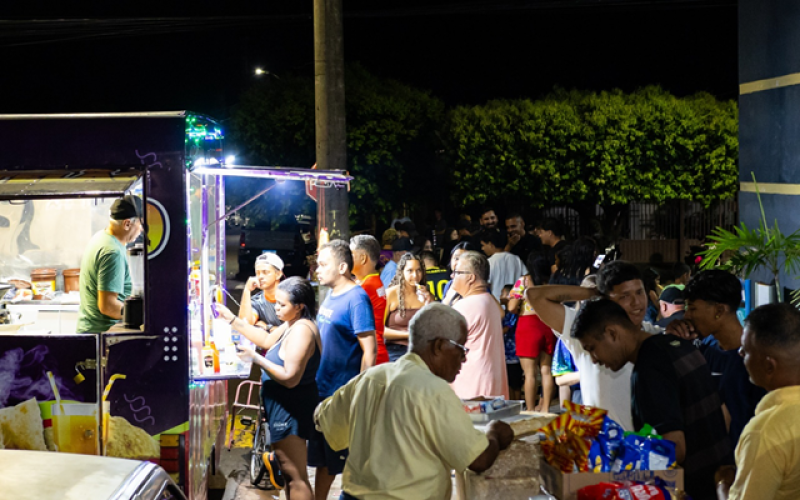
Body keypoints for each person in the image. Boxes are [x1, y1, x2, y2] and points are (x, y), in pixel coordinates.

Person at [315, 303, 514, 500]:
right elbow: (479, 460)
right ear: (438, 346)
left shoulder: (370, 378)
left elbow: (321, 418)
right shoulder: (434, 390)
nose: (463, 358)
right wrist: (495, 433)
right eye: (461, 348)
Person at [572, 299, 732, 500]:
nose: (594, 359)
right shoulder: (680, 346)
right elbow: (724, 415)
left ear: (612, 333)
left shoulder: (648, 370)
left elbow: (673, 448)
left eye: (592, 348)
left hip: (694, 488)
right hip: (721, 481)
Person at [525, 261, 660, 431]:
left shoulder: (656, 335)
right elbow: (535, 296)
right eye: (625, 296)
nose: (636, 303)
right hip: (602, 449)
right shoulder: (584, 331)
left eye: (640, 293)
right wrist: (592, 293)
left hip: (645, 448)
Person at [217, 277, 319, 499]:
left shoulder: (302, 331)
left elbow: (291, 378)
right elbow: (265, 340)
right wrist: (232, 319)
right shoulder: (291, 323)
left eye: (282, 304)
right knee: (289, 472)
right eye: (276, 302)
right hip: (283, 407)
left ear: (299, 306)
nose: (276, 308)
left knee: (295, 474)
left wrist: (256, 358)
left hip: (290, 409)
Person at [309, 240, 377, 500]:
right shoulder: (332, 294)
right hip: (322, 391)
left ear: (343, 267)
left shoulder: (357, 298)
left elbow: (368, 350)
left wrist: (357, 395)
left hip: (342, 395)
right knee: (324, 460)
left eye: (324, 264)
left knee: (347, 460)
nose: (318, 269)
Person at [667, 270, 766, 448]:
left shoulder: (757, 362)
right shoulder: (702, 351)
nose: (687, 315)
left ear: (719, 311)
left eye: (693, 308)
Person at [718, 303, 800, 500]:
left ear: (768, 365)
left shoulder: (765, 432)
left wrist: (722, 486)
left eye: (745, 351)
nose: (740, 355)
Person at [77, 195, 144, 333]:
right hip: (101, 335)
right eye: (140, 224)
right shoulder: (112, 252)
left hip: (91, 332)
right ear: (127, 224)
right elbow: (108, 306)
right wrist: (142, 317)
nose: (141, 229)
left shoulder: (101, 237)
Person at [448, 251, 509, 399]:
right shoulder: (490, 301)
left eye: (456, 272)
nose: (452, 276)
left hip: (472, 387)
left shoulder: (464, 306)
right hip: (490, 382)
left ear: (470, 278)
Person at [508, 253, 556, 412]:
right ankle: (546, 409)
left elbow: (511, 307)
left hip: (528, 325)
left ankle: (529, 410)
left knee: (529, 374)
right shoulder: (550, 281)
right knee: (546, 371)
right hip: (547, 323)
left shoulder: (523, 281)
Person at [384, 253, 433, 361]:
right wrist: (407, 335)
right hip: (395, 351)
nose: (415, 276)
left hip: (420, 351)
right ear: (402, 272)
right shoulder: (390, 294)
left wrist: (429, 303)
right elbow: (379, 330)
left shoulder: (427, 295)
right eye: (410, 271)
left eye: (418, 270)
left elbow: (433, 327)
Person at [350, 235, 390, 365]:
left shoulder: (365, 287)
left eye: (351, 254)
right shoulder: (373, 281)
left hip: (370, 358)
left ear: (363, 258)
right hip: (377, 353)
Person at [238, 252, 284, 332]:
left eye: (265, 272)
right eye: (257, 273)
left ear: (278, 274)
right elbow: (244, 325)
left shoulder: (290, 298)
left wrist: (268, 327)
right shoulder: (257, 301)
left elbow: (294, 331)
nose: (260, 277)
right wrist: (247, 290)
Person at [480, 229, 528, 300]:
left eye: (483, 245)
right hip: (514, 303)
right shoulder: (516, 259)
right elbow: (526, 278)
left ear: (490, 244)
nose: (482, 248)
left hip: (496, 304)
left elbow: (484, 285)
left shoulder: (488, 263)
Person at [500, 284, 522, 401]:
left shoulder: (512, 313)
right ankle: (513, 403)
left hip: (513, 353)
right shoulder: (506, 312)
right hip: (507, 354)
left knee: (515, 384)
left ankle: (518, 404)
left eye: (502, 293)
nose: (500, 296)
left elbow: (506, 328)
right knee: (509, 383)